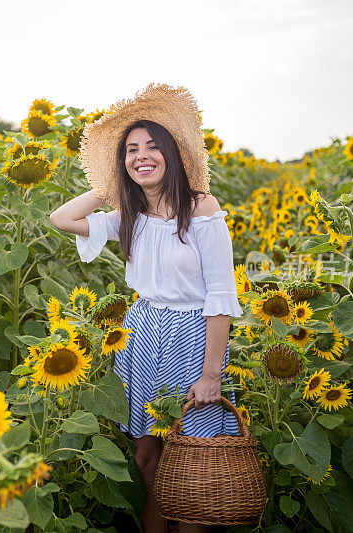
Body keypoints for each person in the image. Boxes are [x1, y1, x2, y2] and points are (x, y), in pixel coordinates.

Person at [50, 84, 243, 533]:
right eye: (131, 150)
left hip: (192, 335)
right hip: (141, 332)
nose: (142, 156)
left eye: (153, 147)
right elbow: (61, 219)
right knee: (145, 454)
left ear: (172, 154)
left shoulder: (201, 209)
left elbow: (221, 294)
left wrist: (211, 373)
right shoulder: (127, 216)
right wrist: (109, 187)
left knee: (190, 452)